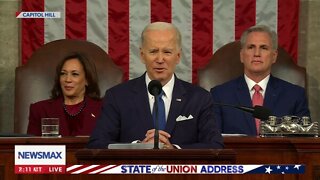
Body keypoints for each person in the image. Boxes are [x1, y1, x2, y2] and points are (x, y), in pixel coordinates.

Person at [87, 22, 223, 149]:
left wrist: (174, 150)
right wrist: (138, 147)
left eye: (167, 52)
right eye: (153, 51)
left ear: (178, 56)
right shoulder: (117, 97)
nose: (159, 60)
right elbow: (97, 144)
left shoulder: (199, 98)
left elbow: (215, 145)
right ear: (142, 55)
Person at [210, 25, 310, 136]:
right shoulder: (220, 95)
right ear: (242, 55)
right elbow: (213, 141)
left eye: (263, 48)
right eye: (251, 47)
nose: (257, 54)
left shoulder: (295, 95)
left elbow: (304, 141)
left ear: (274, 56)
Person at [27, 53, 102, 136]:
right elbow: (31, 146)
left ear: (87, 80)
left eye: (75, 74)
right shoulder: (40, 110)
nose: (67, 79)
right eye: (63, 74)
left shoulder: (103, 109)